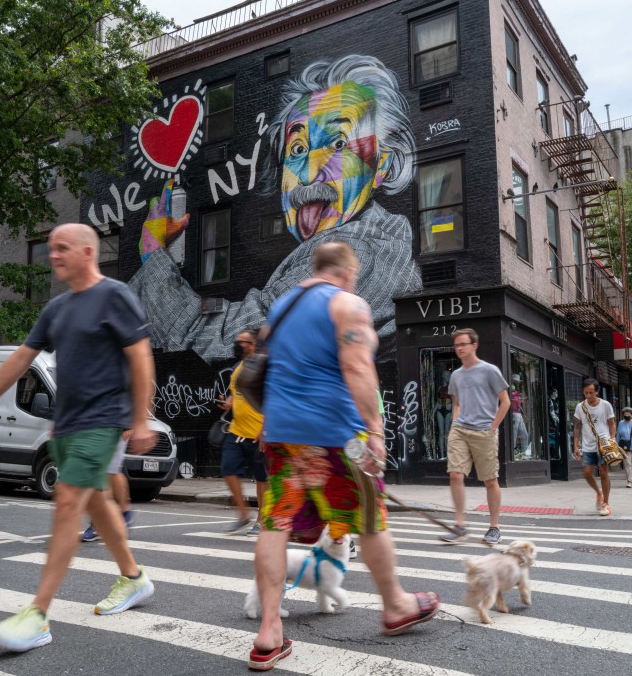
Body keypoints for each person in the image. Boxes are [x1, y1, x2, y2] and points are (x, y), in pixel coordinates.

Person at [127, 55, 422, 363]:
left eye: (337, 145)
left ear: (382, 165)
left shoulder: (361, 253)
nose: (307, 173)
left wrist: (152, 252)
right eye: (297, 149)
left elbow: (216, 340)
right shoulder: (367, 247)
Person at [0, 223, 156, 653]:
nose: (53, 255)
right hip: (66, 425)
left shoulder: (115, 295)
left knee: (68, 501)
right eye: (51, 249)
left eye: (62, 248)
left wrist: (140, 419)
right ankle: (134, 577)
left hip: (102, 422)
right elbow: (21, 358)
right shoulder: (57, 308)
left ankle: (38, 615)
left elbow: (140, 357)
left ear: (88, 251)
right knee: (97, 502)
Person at [251, 242, 439, 670]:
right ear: (349, 271)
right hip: (336, 433)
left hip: (283, 435)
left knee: (274, 523)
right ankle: (395, 605)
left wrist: (269, 423)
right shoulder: (347, 304)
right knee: (370, 518)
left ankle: (268, 632)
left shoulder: (281, 306)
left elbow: (268, 369)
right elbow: (357, 369)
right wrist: (375, 431)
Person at [439, 328, 510, 546]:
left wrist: (492, 427)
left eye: (463, 344)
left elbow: (505, 401)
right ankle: (460, 526)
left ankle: (494, 527)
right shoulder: (456, 375)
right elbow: (457, 403)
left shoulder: (490, 371)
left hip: (484, 432)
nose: (459, 348)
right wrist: (454, 425)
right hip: (460, 429)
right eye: (456, 345)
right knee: (455, 475)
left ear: (474, 345)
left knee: (490, 480)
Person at [216, 329, 268, 536]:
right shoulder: (238, 367)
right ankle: (243, 514)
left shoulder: (264, 366)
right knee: (228, 470)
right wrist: (227, 403)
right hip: (236, 430)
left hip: (259, 432)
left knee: (262, 479)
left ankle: (261, 520)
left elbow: (273, 397)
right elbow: (235, 394)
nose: (238, 344)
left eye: (242, 342)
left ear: (253, 344)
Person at [80, 429, 137, 542]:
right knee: (106, 472)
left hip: (114, 425)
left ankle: (101, 522)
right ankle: (122, 514)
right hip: (94, 426)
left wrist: (129, 425)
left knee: (108, 472)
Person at [573, 379, 616, 516]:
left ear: (596, 391)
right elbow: (577, 426)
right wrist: (575, 445)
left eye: (591, 392)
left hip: (603, 444)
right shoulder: (580, 407)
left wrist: (612, 438)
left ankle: (606, 504)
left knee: (604, 472)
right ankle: (599, 492)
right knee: (586, 472)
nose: (589, 395)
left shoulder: (605, 405)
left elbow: (611, 423)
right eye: (586, 392)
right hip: (587, 445)